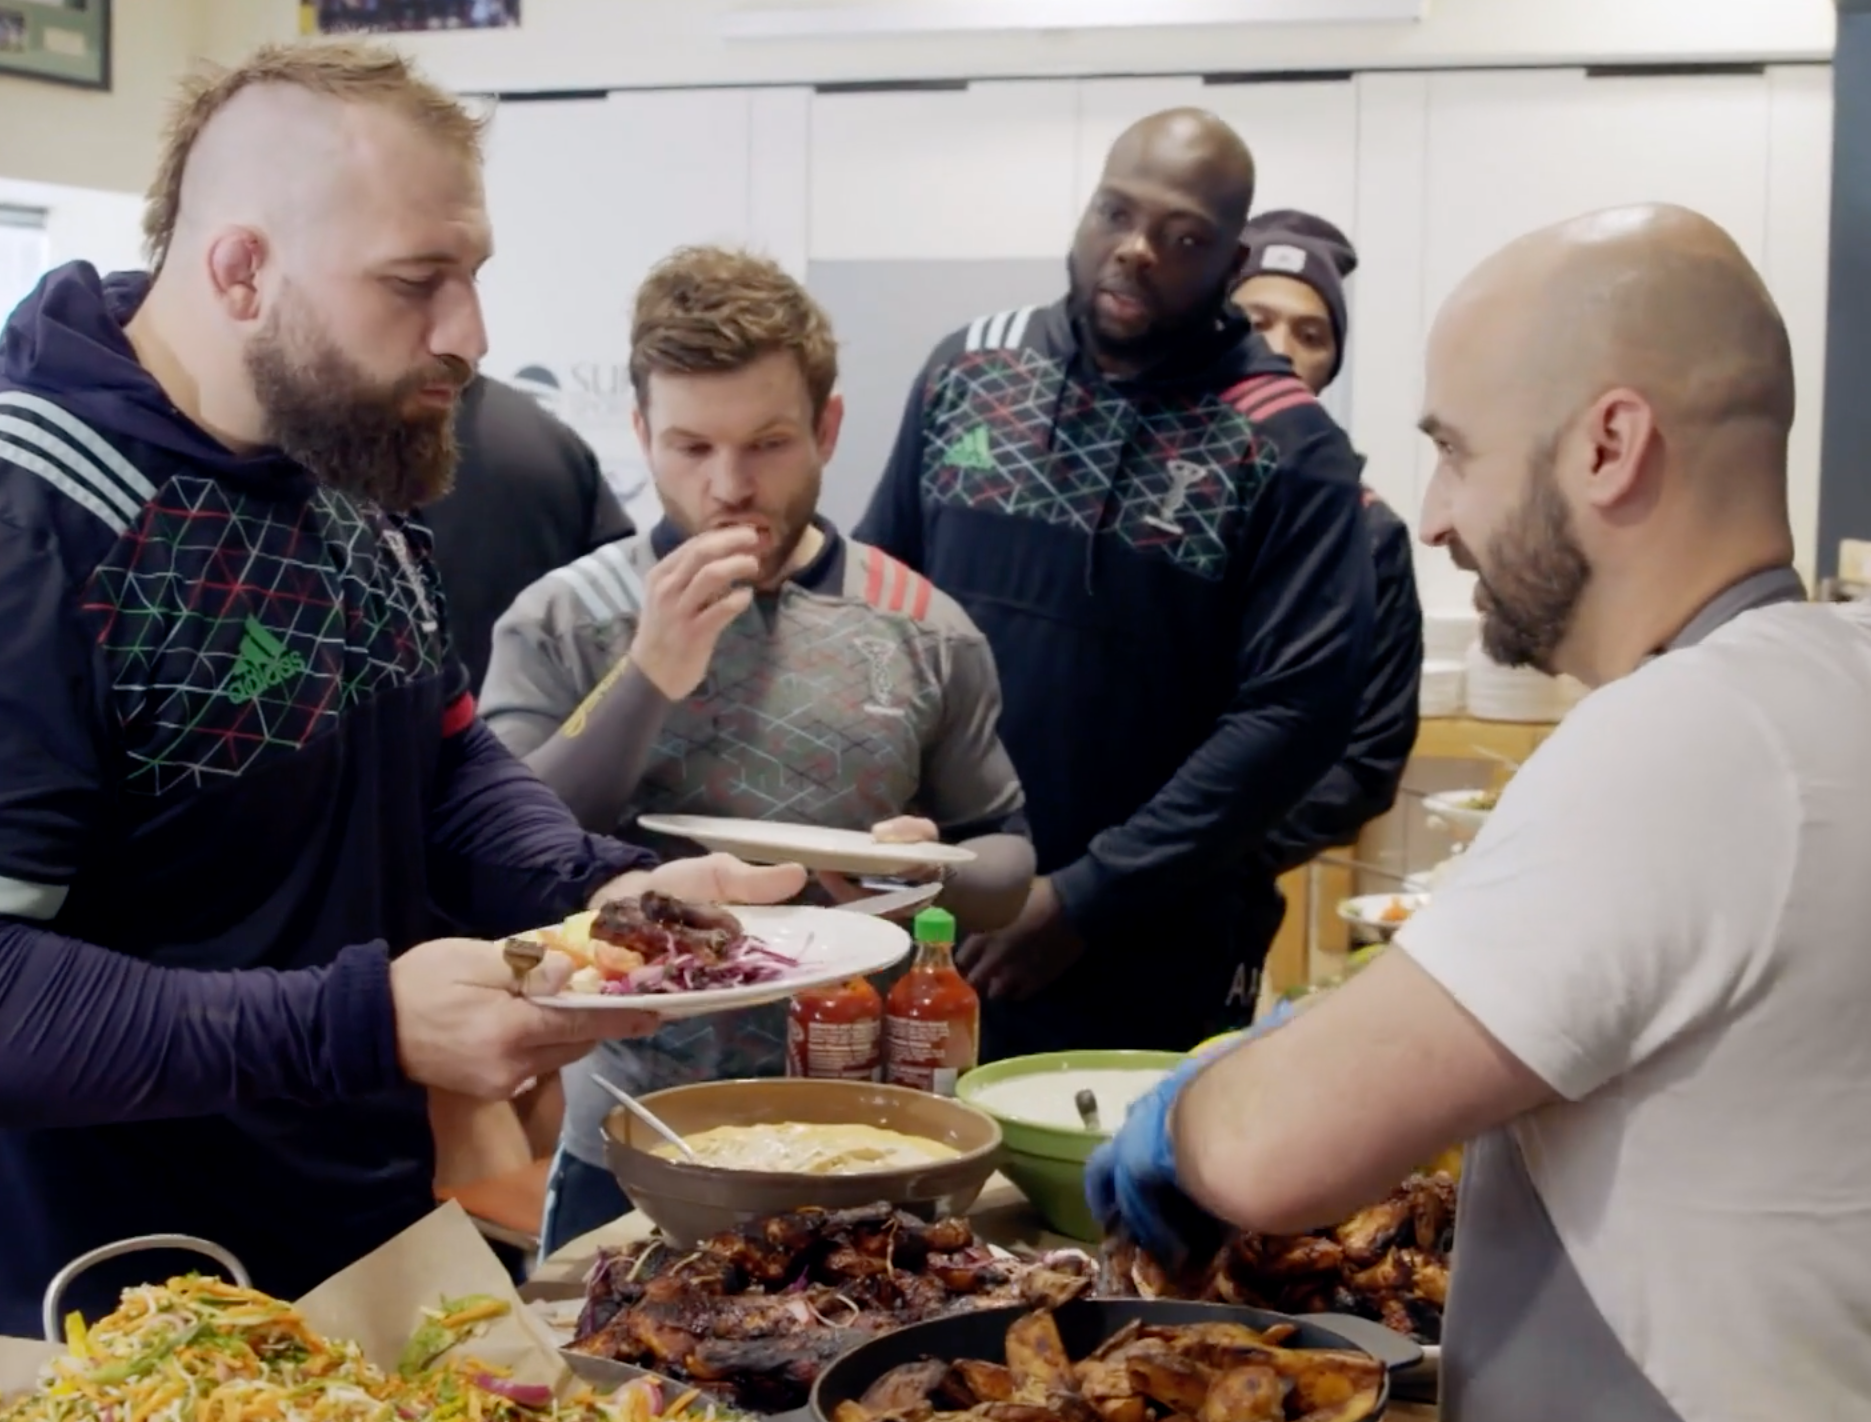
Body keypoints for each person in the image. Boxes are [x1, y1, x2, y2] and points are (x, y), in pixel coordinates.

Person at [0, 40, 802, 1333]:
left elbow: (436, 757)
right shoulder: (34, 515)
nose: (470, 338)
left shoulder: (343, 466)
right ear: (241, 269)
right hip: (116, 1312)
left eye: (471, 274)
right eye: (414, 284)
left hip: (374, 1261)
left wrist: (596, 895)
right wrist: (361, 1020)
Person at [1090, 205, 1871, 1421]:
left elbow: (1270, 1154)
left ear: (1607, 444)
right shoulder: (1833, 679)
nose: (1438, 513)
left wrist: (1181, 1122)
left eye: (1457, 449)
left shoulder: (1685, 738)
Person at [479, 246, 1036, 1252]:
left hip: (862, 1139)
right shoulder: (564, 619)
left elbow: (1004, 857)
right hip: (632, 1141)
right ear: (641, 434)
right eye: (689, 447)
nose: (728, 487)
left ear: (826, 427)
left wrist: (929, 875)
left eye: (768, 443)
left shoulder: (923, 624)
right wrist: (647, 672)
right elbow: (499, 851)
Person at [855, 109, 1374, 1056]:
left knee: (1105, 1202)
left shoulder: (1288, 447)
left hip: (1144, 944)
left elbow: (1294, 714)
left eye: (1182, 238)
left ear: (1230, 262)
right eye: (1115, 214)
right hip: (926, 923)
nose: (1135, 250)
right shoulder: (968, 369)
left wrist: (1084, 897)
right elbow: (877, 607)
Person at [1233, 211, 1422, 874]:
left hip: (1220, 903)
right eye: (1256, 321)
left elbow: (1366, 762)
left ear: (1328, 365)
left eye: (1309, 334)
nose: (1279, 346)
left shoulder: (1366, 537)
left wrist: (1203, 857)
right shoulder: (1120, 494)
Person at [425, 373, 633, 693]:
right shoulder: (553, 441)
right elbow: (620, 606)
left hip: (420, 724)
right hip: (552, 724)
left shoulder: (348, 454)